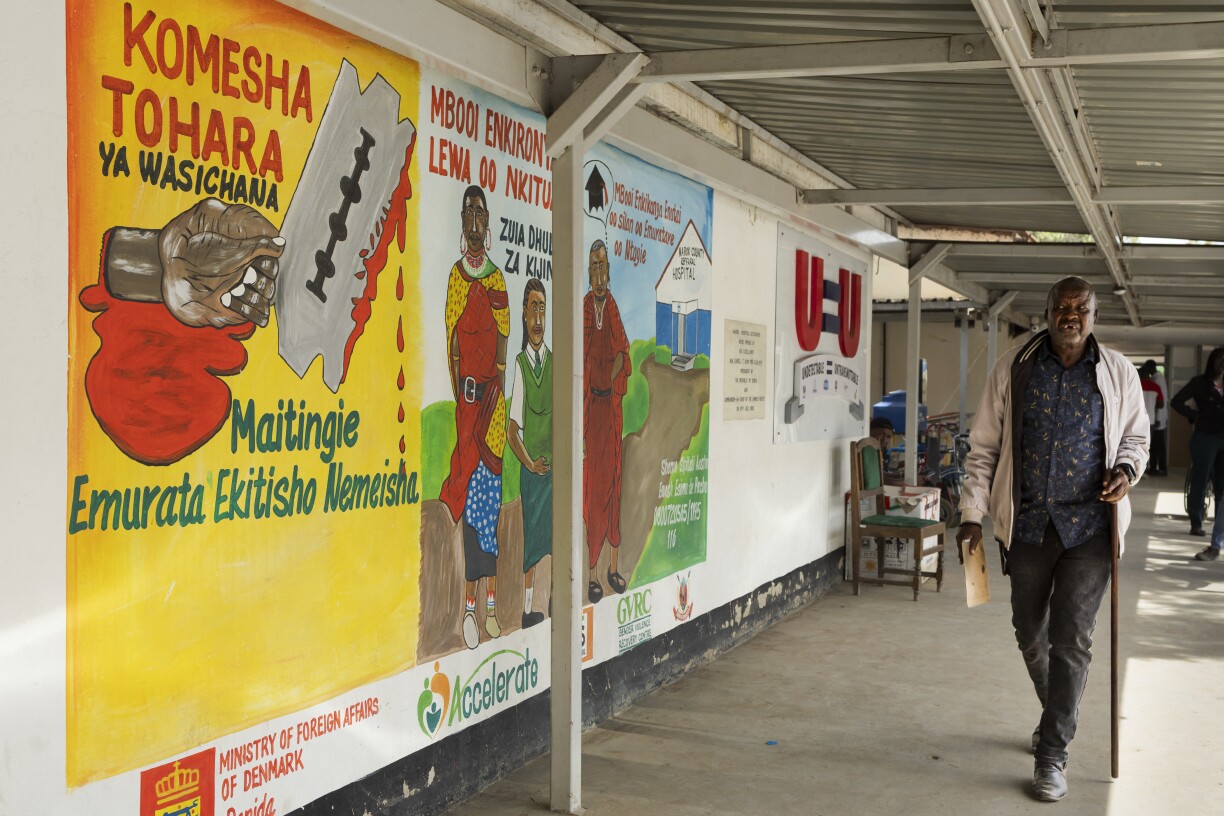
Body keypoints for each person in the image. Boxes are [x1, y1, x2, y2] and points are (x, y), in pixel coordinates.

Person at [957, 277, 1148, 803]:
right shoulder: (1015, 368)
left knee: (1073, 641)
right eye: (1061, 307)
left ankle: (1052, 752)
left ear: (1093, 314)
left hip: (1091, 528)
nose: (1070, 315)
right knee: (1029, 631)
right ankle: (1056, 711)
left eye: (1080, 308)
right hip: (1028, 526)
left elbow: (1136, 435)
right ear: (1046, 312)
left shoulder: (1117, 372)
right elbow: (984, 448)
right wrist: (971, 513)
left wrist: (1127, 470)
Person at [441, 185, 510, 649]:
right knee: (467, 501)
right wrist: (462, 393)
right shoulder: (456, 278)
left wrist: (497, 396)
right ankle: (468, 610)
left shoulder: (497, 280)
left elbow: (504, 339)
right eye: (467, 212)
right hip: (466, 406)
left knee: (489, 503)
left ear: (488, 223)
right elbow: (451, 341)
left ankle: (487, 610)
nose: (473, 220)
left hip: (492, 408)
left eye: (479, 212)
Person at [583, 240, 632, 605]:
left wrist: (609, 381)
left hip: (610, 411)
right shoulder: (585, 307)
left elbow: (623, 351)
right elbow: (581, 358)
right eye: (593, 268)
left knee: (614, 487)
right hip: (590, 415)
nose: (599, 275)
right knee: (593, 493)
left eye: (603, 268)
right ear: (588, 273)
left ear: (609, 273)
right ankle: (591, 574)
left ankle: (613, 569)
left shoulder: (610, 306)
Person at [507, 279, 552, 627]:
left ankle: (551, 600)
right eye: (532, 308)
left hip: (554, 472)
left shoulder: (554, 363)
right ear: (523, 315)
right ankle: (525, 610)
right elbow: (512, 432)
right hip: (531, 474)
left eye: (542, 308)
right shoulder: (521, 366)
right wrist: (530, 465)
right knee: (532, 542)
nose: (537, 317)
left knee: (554, 537)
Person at [1170, 347, 1224, 544]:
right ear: (1213, 362)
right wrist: (1195, 416)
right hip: (1205, 436)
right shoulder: (1199, 383)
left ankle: (1220, 526)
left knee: (1222, 484)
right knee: (1200, 478)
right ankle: (1196, 522)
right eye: (1221, 360)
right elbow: (1176, 401)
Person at [1138, 361, 1167, 477]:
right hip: (1151, 420)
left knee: (1137, 444)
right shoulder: (1156, 386)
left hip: (1138, 421)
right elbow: (1161, 404)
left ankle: (1141, 469)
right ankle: (1150, 468)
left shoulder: (1137, 385)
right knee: (1150, 445)